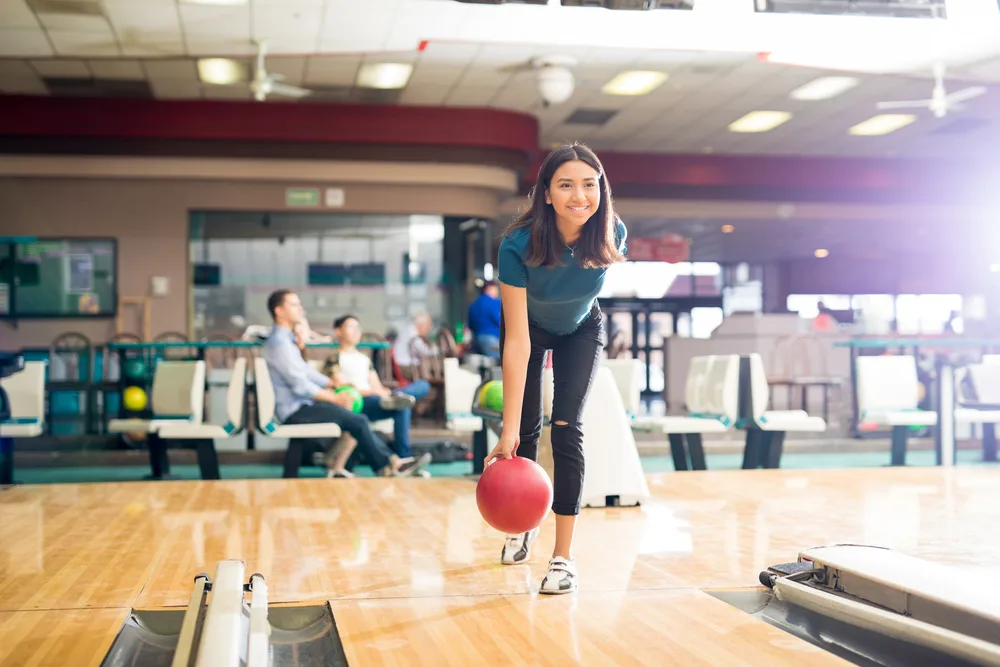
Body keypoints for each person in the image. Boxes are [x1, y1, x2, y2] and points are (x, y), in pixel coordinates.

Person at [486, 143, 627, 595]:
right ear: (546, 193)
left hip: (582, 329)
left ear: (601, 189)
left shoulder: (611, 232)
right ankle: (522, 523)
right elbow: (517, 339)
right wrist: (506, 429)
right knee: (525, 433)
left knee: (566, 429)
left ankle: (563, 558)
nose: (579, 195)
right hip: (528, 329)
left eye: (589, 184)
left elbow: (584, 294)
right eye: (566, 185)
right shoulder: (518, 244)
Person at [261, 289, 428, 477]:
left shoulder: (286, 341)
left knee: (360, 419)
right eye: (294, 305)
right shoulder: (280, 343)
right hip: (295, 410)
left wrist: (331, 384)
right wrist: (335, 398)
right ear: (279, 311)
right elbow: (300, 385)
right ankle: (391, 465)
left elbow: (306, 372)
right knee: (357, 420)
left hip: (302, 405)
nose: (300, 308)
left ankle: (389, 465)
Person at [327, 314, 432, 460]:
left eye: (358, 327)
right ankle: (405, 455)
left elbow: (376, 384)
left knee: (422, 385)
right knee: (401, 406)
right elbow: (342, 389)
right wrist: (375, 392)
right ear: (338, 331)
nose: (356, 331)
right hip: (358, 402)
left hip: (377, 398)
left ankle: (399, 397)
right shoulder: (334, 358)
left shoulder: (364, 359)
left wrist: (383, 392)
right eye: (351, 327)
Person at [467, 282, 502, 359]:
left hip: (476, 339)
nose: (497, 292)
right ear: (490, 289)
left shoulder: (474, 304)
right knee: (498, 363)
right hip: (492, 341)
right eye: (496, 289)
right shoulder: (494, 302)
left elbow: (470, 325)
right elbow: (501, 322)